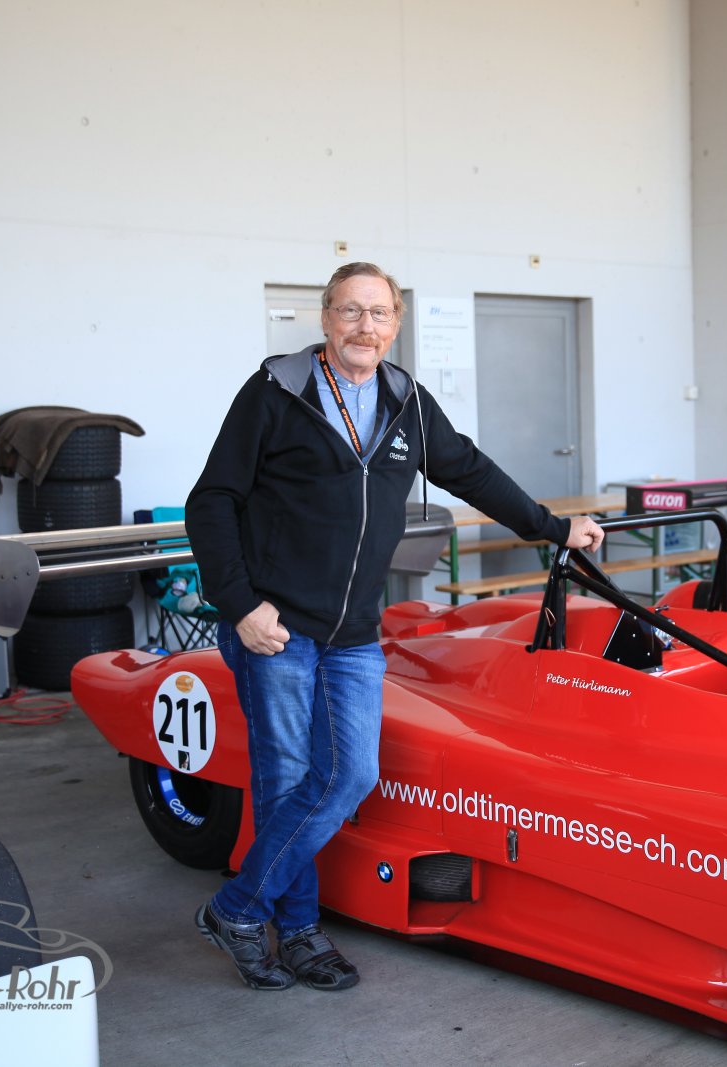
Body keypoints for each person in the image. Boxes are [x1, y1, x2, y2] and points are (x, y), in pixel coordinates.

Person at [185, 261, 605, 991]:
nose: (365, 327)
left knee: (349, 775)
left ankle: (238, 908)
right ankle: (300, 932)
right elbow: (210, 501)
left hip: (352, 632)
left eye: (379, 314)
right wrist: (240, 604)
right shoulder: (274, 392)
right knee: (285, 783)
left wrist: (551, 526)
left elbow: (469, 470)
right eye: (351, 311)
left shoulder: (405, 401)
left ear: (396, 324)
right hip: (275, 626)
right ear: (325, 318)